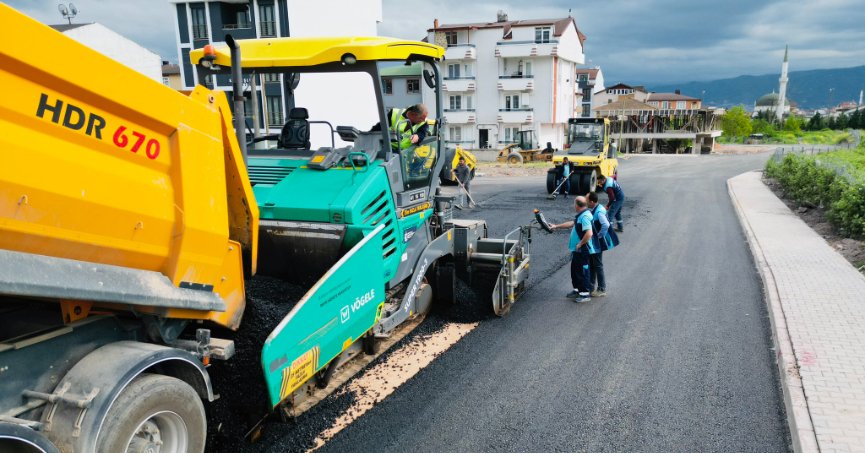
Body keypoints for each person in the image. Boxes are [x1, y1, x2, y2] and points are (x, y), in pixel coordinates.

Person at [550, 196, 596, 303]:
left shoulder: (584, 217)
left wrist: (580, 244)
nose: (573, 205)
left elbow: (589, 233)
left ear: (576, 205)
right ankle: (577, 290)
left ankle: (585, 295)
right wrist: (556, 226)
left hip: (583, 250)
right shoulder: (581, 215)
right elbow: (572, 223)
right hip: (577, 250)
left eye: (573, 203)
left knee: (582, 271)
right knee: (575, 271)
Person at [586, 192, 612, 297]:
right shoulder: (596, 208)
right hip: (595, 241)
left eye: (587, 200)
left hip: (597, 242)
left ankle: (601, 289)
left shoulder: (599, 211)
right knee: (593, 264)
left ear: (592, 202)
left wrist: (599, 236)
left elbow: (606, 224)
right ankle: (591, 286)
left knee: (597, 265)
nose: (585, 201)